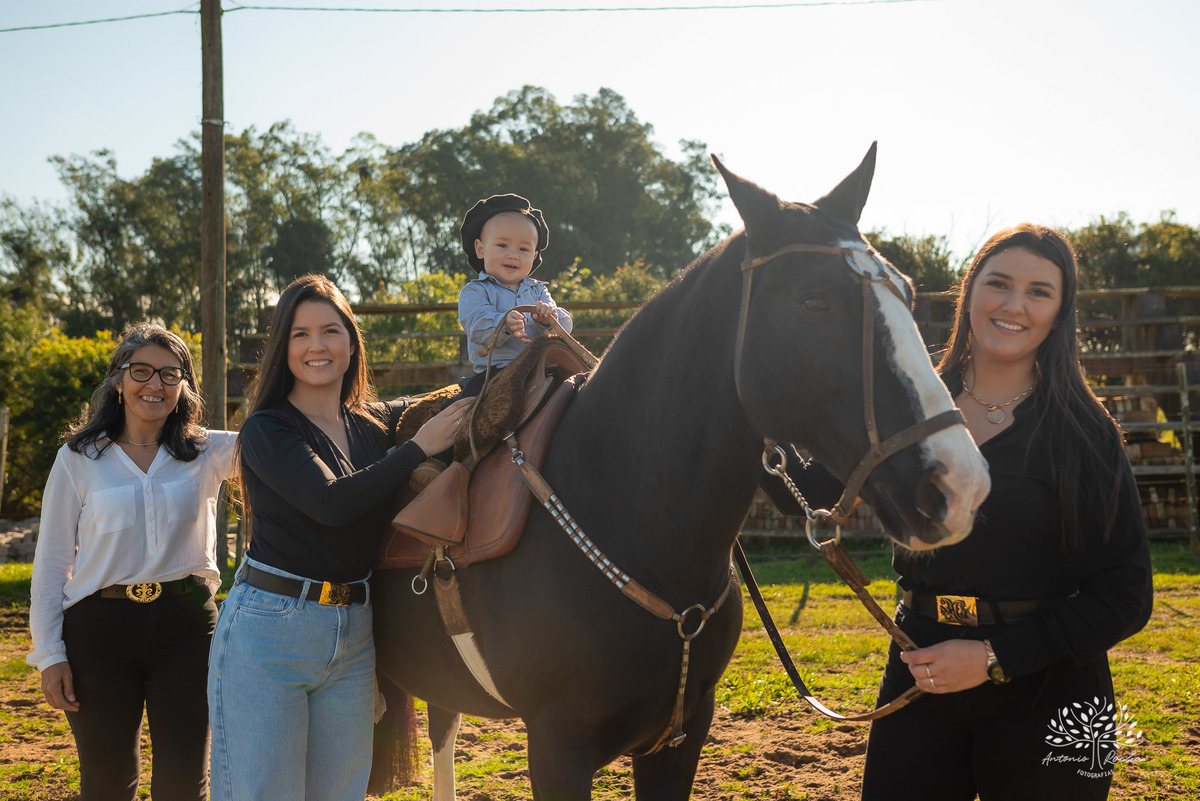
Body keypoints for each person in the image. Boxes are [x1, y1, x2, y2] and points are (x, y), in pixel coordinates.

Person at [855, 224, 1154, 799]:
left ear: (1059, 312)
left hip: (1053, 692)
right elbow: (806, 479)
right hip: (920, 674)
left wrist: (994, 658)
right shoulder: (902, 415)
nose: (1015, 305)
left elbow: (1125, 594)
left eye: (1039, 291)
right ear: (970, 293)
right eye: (999, 283)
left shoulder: (1084, 434)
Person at [206, 274, 469, 801]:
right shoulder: (268, 430)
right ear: (283, 348)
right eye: (300, 334)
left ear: (351, 343)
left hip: (353, 634)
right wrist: (418, 450)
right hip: (271, 633)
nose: (316, 345)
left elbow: (446, 398)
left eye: (330, 331)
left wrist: (519, 344)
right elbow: (331, 503)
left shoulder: (372, 425)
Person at [28, 323, 237, 801]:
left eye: (170, 374)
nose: (155, 384)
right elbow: (52, 560)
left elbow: (281, 445)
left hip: (187, 628)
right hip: (98, 632)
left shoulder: (207, 450)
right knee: (106, 786)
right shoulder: (78, 458)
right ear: (118, 381)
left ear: (183, 385)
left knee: (185, 786)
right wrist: (51, 654)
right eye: (141, 371)